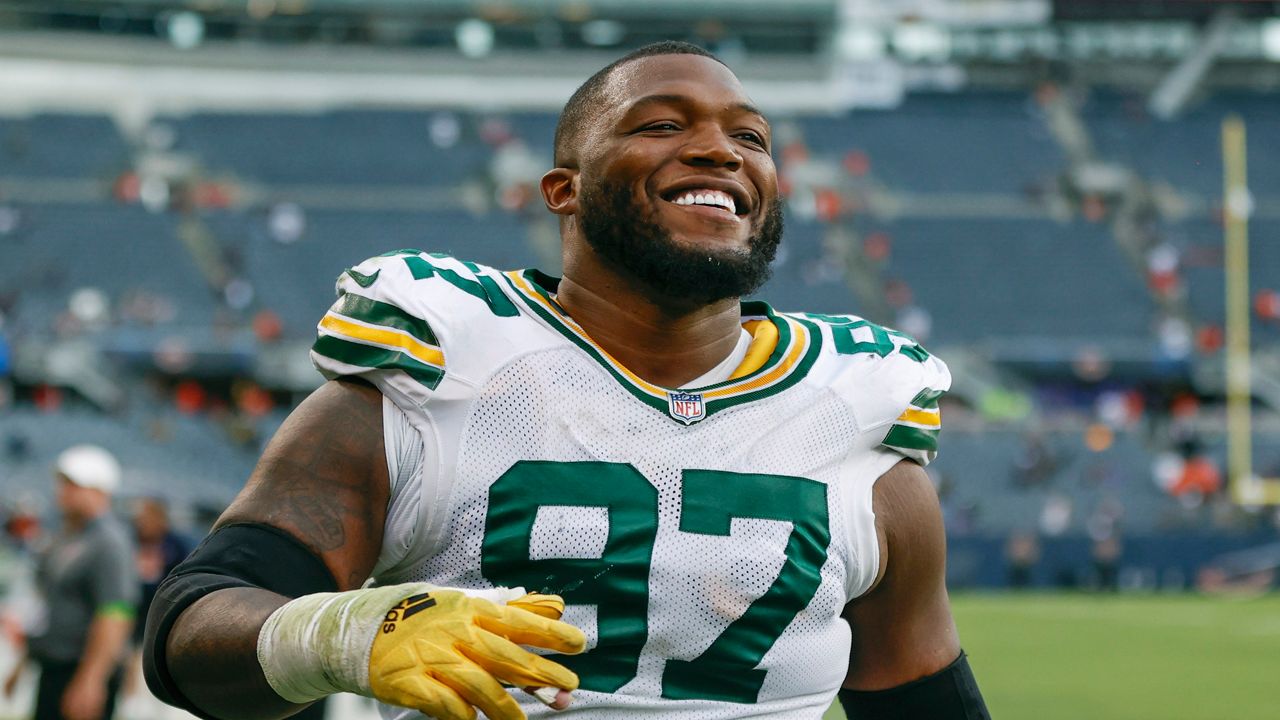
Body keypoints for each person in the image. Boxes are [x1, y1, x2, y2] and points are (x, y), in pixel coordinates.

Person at [143, 41, 988, 720]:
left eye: (752, 137)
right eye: (659, 124)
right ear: (564, 191)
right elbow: (190, 630)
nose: (718, 150)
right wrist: (349, 636)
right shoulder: (443, 376)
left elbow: (920, 696)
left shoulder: (855, 422)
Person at [25, 445, 138, 720]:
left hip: (79, 668)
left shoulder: (109, 541)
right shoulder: (68, 536)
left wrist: (92, 679)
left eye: (74, 484)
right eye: (64, 483)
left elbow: (116, 612)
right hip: (53, 666)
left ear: (99, 490)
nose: (63, 490)